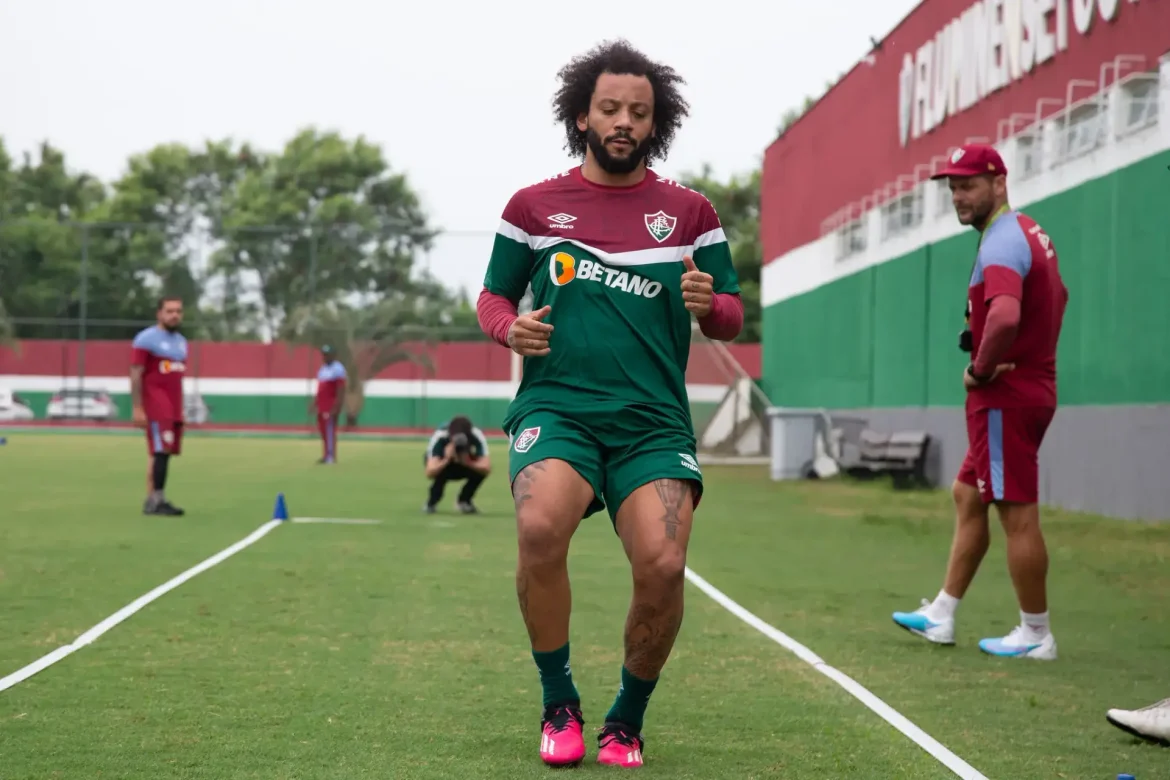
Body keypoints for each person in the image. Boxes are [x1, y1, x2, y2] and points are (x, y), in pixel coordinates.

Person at [475, 39, 743, 768]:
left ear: (657, 123)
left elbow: (731, 313)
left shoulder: (690, 214)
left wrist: (708, 303)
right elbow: (493, 295)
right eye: (610, 109)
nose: (625, 121)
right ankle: (558, 703)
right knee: (538, 528)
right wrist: (510, 328)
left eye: (640, 112)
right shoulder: (532, 207)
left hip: (652, 423)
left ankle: (626, 719)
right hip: (558, 410)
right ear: (582, 117)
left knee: (662, 564)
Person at [891, 143, 1069, 660]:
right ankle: (942, 613)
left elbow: (1007, 316)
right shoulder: (1029, 233)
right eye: (953, 187)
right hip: (1023, 391)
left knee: (1018, 515)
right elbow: (1058, 298)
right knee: (968, 494)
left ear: (999, 182)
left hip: (1005, 399)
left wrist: (980, 368)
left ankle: (1036, 634)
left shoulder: (1001, 242)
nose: (958, 196)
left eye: (968, 185)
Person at [130, 296, 189, 517]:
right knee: (160, 451)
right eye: (169, 311)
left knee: (161, 452)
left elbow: (175, 379)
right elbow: (136, 373)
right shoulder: (146, 339)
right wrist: (137, 407)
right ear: (160, 314)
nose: (174, 315)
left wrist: (180, 410)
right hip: (155, 405)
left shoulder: (182, 343)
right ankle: (157, 500)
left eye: (178, 311)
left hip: (173, 407)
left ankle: (152, 500)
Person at [422, 415, 491, 514]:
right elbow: (429, 472)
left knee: (481, 472)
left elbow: (486, 467)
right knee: (440, 474)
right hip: (443, 463)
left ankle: (464, 501)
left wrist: (467, 462)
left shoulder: (476, 434)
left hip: (466, 461)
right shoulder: (440, 436)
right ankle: (431, 502)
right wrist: (446, 459)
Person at [312, 345, 347, 464]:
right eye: (324, 354)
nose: (325, 357)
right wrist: (315, 403)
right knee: (323, 431)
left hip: (331, 405)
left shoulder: (338, 368)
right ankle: (326, 454)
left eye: (327, 354)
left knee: (330, 431)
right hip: (322, 405)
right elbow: (320, 389)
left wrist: (337, 406)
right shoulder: (322, 369)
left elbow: (341, 389)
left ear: (333, 355)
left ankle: (331, 456)